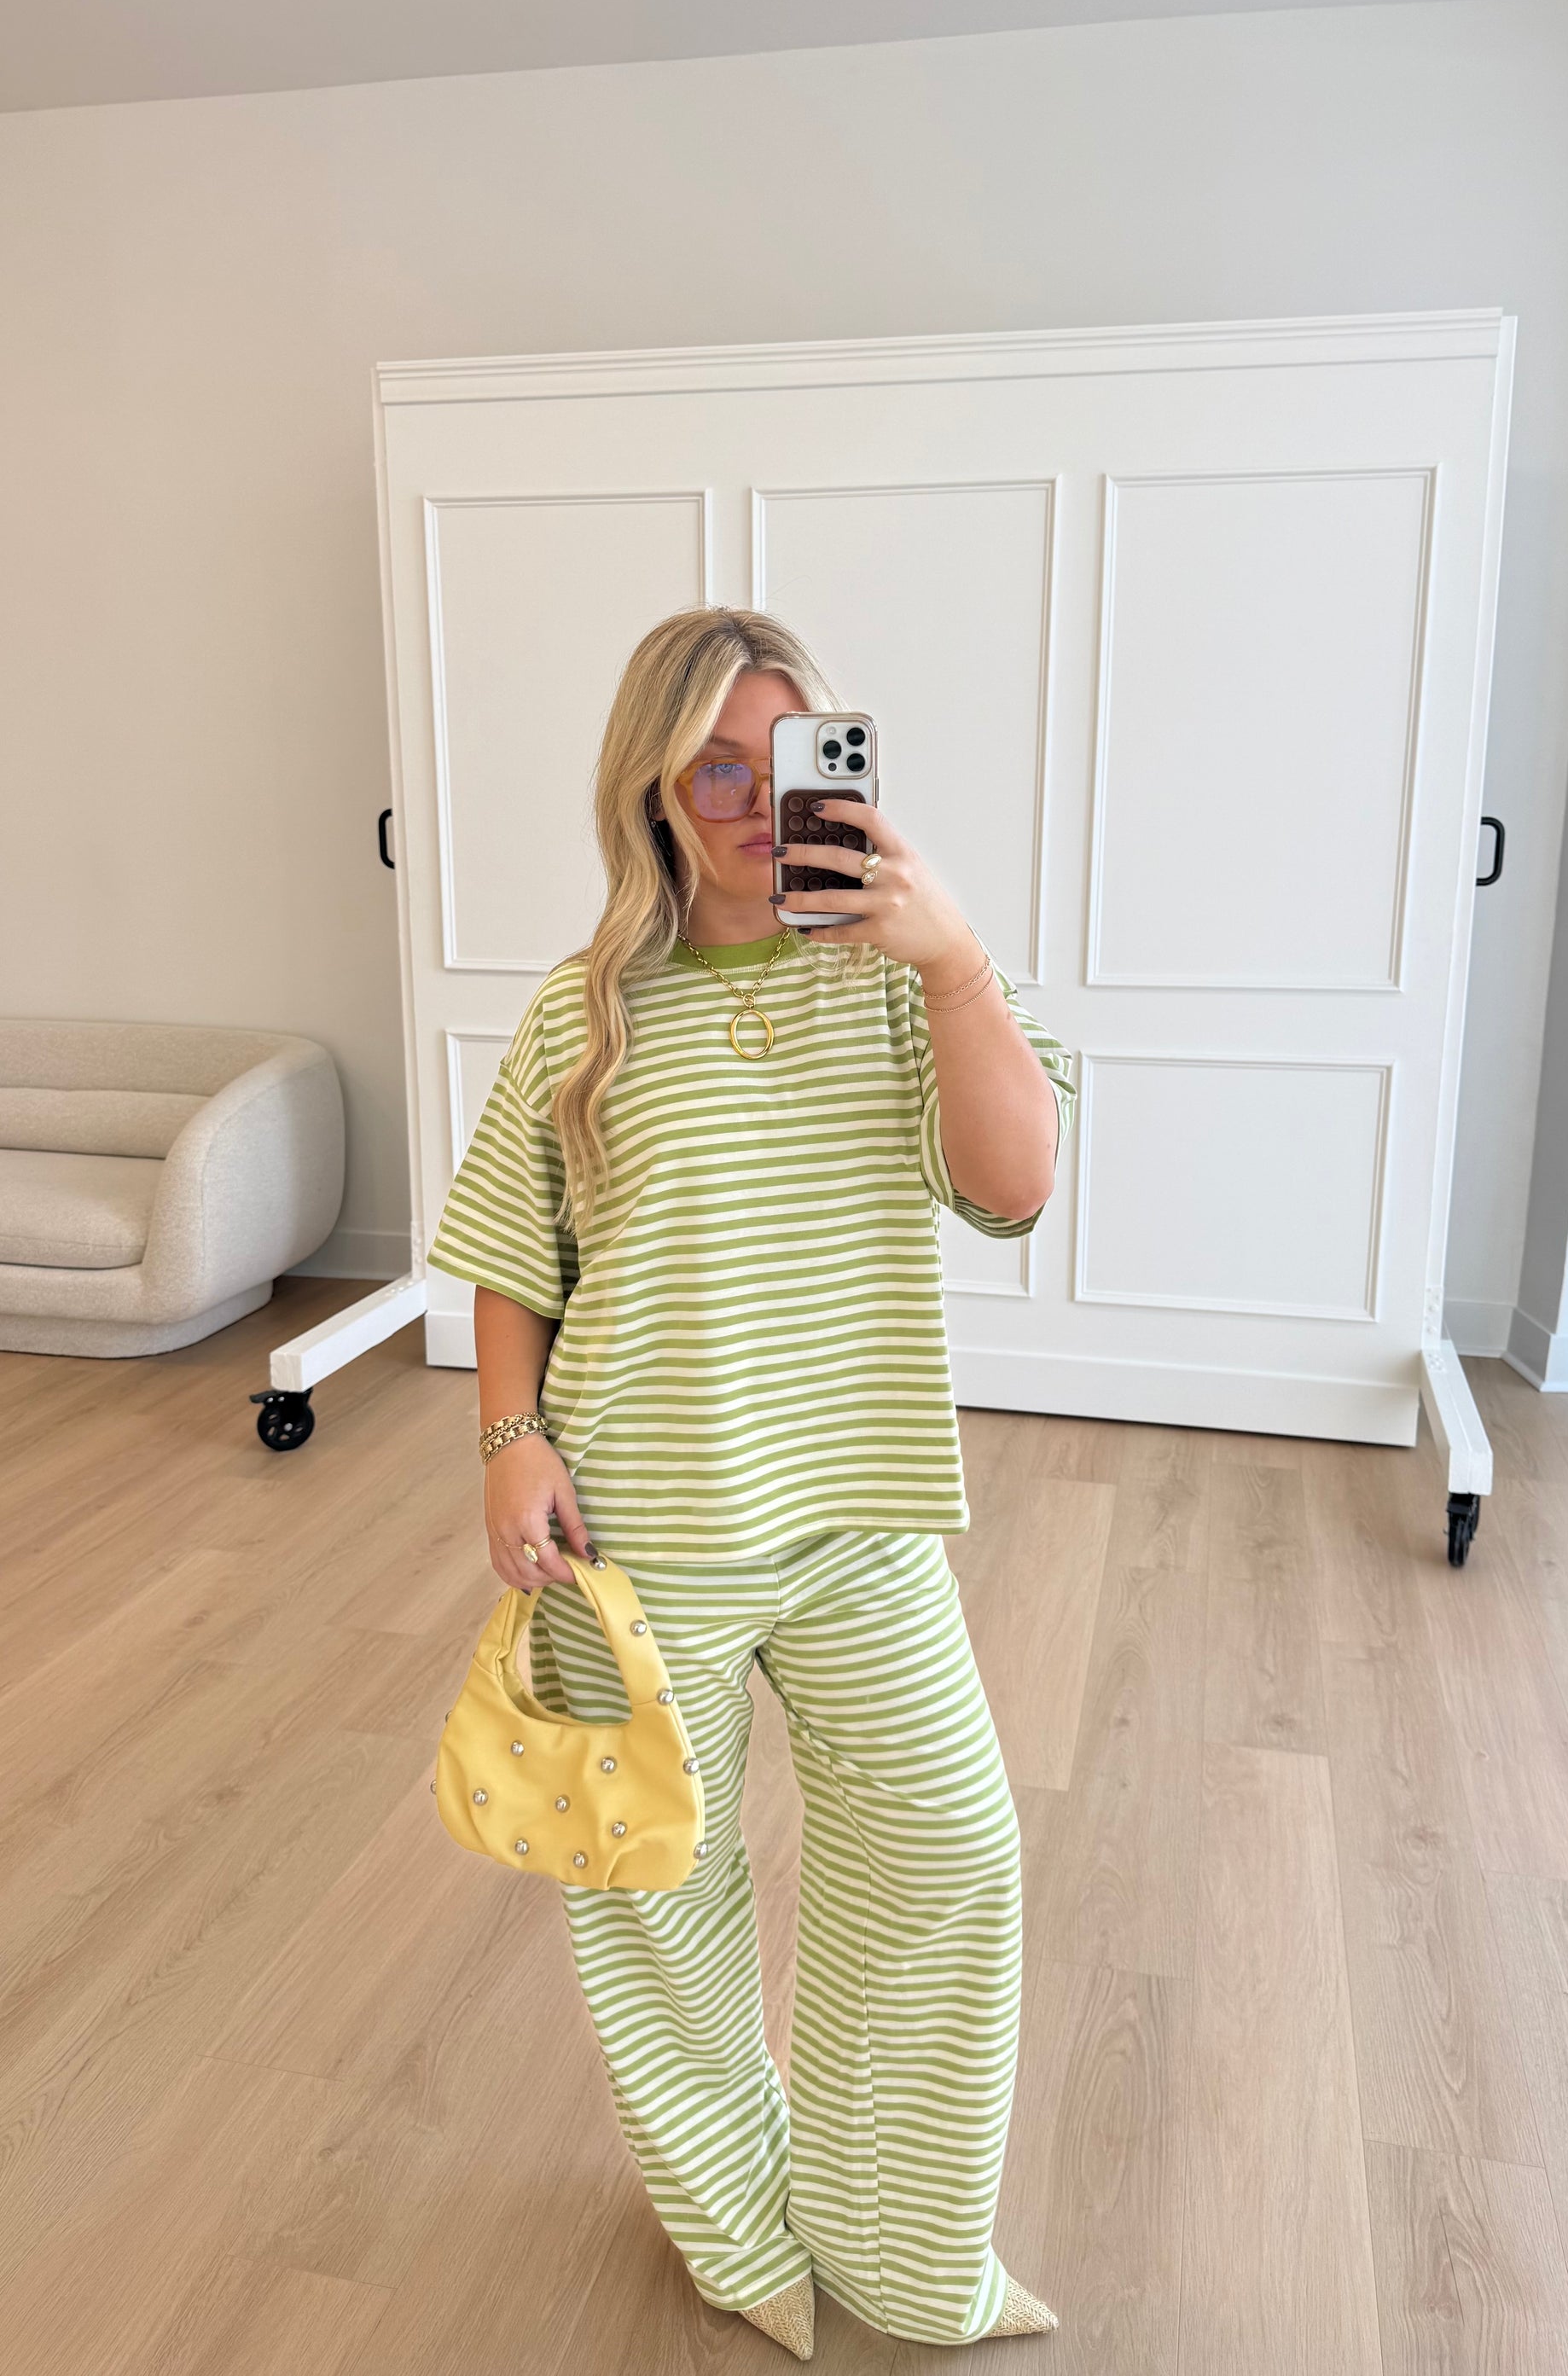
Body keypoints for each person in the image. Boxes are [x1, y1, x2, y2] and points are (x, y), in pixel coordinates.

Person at [428, 607, 1076, 2357]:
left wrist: (955, 965)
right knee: (658, 1898)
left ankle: (903, 2245)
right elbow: (516, 1257)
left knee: (948, 1850)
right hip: (634, 1537)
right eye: (711, 763)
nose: (747, 799)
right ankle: (739, 2236)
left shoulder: (902, 981)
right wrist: (508, 1439)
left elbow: (1014, 1189)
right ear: (649, 781)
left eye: (785, 759)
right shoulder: (581, 1009)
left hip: (858, 1519)